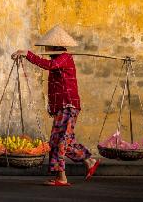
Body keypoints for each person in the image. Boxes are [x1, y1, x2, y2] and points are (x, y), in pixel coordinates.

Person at [11, 25, 100, 186]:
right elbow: (55, 87)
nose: (46, 49)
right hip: (62, 107)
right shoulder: (57, 60)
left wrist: (27, 54)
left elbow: (49, 65)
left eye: (48, 46)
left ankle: (61, 177)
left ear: (54, 47)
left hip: (69, 106)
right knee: (63, 141)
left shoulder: (65, 58)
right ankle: (89, 161)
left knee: (59, 141)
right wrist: (52, 107)